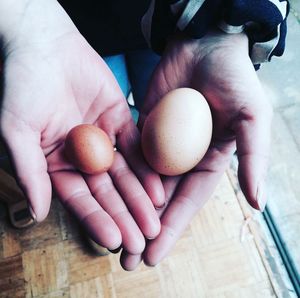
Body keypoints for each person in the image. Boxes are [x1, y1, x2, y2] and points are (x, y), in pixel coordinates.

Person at [0, 0, 289, 271]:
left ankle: (125, 206)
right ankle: (104, 215)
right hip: (64, 24)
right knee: (109, 113)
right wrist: (22, 15)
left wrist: (224, 25)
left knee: (144, 112)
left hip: (176, 18)